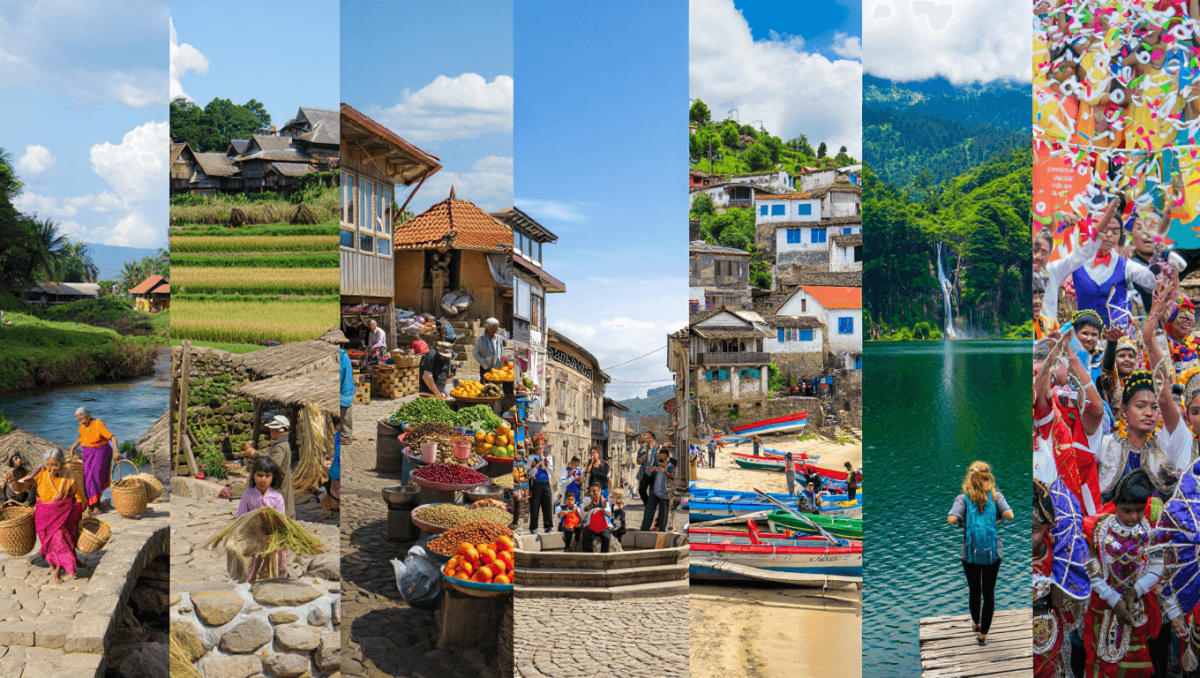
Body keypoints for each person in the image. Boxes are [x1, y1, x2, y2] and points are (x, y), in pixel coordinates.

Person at [1082, 470, 1161, 677]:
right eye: (1126, 510)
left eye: (1138, 510)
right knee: (1103, 664)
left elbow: (1156, 565)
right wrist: (1113, 599)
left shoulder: (1151, 530)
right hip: (1103, 609)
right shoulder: (1096, 530)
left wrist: (1137, 590)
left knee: (1136, 664)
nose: (1133, 517)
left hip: (1136, 608)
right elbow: (1092, 571)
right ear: (1115, 504)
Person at [948, 461, 1014, 646]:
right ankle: (983, 636)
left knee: (975, 590)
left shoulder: (963, 498)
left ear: (969, 477)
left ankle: (976, 624)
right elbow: (1010, 514)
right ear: (988, 477)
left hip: (969, 553)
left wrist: (965, 522)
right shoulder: (995, 495)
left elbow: (952, 518)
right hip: (992, 552)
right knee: (989, 593)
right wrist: (995, 519)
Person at [6, 449, 85, 584]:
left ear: (61, 463)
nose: (52, 468)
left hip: (62, 514)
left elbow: (77, 494)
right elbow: (22, 487)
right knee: (48, 544)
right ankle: (53, 565)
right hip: (43, 515)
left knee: (59, 541)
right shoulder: (39, 473)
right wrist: (13, 481)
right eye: (49, 464)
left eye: (55, 465)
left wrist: (80, 508)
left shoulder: (68, 475)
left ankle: (58, 570)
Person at [69, 406, 119, 517]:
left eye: (82, 418)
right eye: (79, 420)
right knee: (87, 479)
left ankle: (96, 506)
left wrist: (116, 450)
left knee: (95, 478)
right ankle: (93, 504)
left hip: (101, 452)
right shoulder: (81, 427)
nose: (81, 421)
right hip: (87, 453)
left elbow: (112, 437)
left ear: (89, 416)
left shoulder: (97, 423)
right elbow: (81, 437)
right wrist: (73, 447)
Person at [242, 415, 294, 519]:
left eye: (273, 430)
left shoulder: (281, 447)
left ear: (280, 430)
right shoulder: (280, 445)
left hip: (279, 488)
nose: (271, 432)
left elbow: (272, 465)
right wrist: (255, 453)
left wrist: (255, 455)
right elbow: (268, 455)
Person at [640, 448, 674, 531]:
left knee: (663, 514)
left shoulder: (670, 465)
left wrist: (662, 469)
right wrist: (652, 470)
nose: (660, 456)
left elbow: (671, 474)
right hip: (654, 492)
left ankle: (662, 530)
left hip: (665, 493)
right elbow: (648, 471)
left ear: (667, 456)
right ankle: (644, 528)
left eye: (662, 455)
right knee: (649, 511)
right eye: (660, 454)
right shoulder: (656, 464)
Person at [578, 483, 613, 553]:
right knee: (586, 537)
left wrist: (601, 506)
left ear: (599, 491)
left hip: (603, 526)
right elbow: (581, 514)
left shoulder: (605, 500)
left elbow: (609, 513)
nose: (592, 493)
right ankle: (589, 558)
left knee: (606, 537)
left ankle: (604, 558)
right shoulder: (587, 500)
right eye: (591, 491)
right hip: (590, 526)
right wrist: (588, 507)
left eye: (594, 491)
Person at [527, 446, 553, 533]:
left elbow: (551, 471)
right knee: (535, 505)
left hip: (546, 483)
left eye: (542, 448)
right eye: (539, 448)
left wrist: (545, 466)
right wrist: (536, 468)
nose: (541, 450)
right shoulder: (531, 458)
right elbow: (529, 474)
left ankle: (548, 525)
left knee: (548, 504)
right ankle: (533, 527)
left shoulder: (548, 457)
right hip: (536, 483)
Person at [321, 414, 342, 520]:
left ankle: (334, 506)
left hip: (338, 467)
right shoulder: (338, 435)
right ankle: (334, 506)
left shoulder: (339, 435)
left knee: (333, 488)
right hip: (337, 466)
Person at [635, 431, 658, 505]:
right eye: (646, 437)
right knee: (641, 489)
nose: (647, 439)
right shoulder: (643, 449)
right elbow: (638, 461)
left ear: (653, 439)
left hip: (655, 473)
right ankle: (647, 503)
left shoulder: (658, 448)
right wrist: (642, 457)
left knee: (654, 491)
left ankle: (653, 505)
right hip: (645, 472)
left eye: (649, 437)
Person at [339, 346, 355, 443]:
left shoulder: (343, 357)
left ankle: (346, 435)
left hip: (344, 385)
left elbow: (347, 376)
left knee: (345, 408)